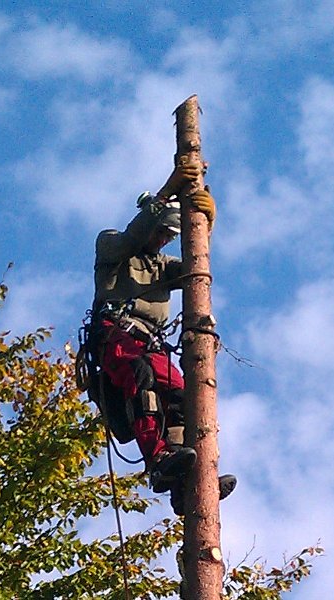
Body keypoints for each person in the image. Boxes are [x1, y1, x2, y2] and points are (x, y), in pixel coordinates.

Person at [89, 159, 235, 514]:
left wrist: (207, 225)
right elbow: (132, 237)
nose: (164, 241)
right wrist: (168, 190)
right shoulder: (112, 248)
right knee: (141, 378)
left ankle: (192, 481)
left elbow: (196, 268)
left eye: (170, 236)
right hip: (115, 336)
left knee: (185, 397)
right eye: (162, 233)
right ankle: (158, 462)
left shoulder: (162, 266)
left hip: (150, 344)